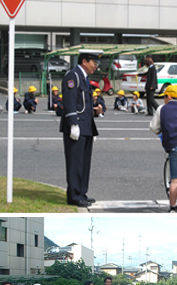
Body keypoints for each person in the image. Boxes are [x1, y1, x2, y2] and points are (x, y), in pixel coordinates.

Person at [60, 49, 103, 207]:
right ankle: (74, 196)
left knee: (84, 163)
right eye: (94, 63)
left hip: (85, 126)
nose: (95, 66)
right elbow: (70, 101)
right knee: (75, 163)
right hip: (76, 125)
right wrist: (73, 123)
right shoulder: (73, 76)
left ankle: (81, 192)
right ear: (84, 61)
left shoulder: (84, 78)